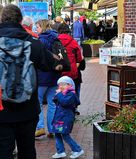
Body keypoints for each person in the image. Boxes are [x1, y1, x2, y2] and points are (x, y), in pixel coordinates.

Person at [0, 4, 62, 159]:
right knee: (27, 150)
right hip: (27, 109)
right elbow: (49, 65)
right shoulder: (33, 43)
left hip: (1, 110)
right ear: (21, 21)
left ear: (2, 19)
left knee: (3, 151)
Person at [35, 19, 62, 138]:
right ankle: (51, 129)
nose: (36, 29)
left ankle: (40, 127)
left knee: (38, 102)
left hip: (42, 76)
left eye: (37, 27)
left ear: (42, 27)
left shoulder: (40, 40)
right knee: (52, 103)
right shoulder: (56, 38)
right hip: (55, 75)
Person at [52, 76, 84, 159]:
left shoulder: (71, 94)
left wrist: (59, 94)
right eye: (60, 85)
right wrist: (58, 95)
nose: (61, 86)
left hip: (65, 119)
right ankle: (60, 151)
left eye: (64, 84)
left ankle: (77, 150)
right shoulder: (62, 94)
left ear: (70, 85)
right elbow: (56, 101)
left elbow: (64, 102)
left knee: (65, 135)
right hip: (59, 118)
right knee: (57, 134)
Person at [57, 23, 83, 102]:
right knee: (73, 89)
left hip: (59, 71)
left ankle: (61, 105)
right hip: (72, 71)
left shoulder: (55, 41)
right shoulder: (73, 42)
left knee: (60, 90)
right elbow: (79, 58)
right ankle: (74, 106)